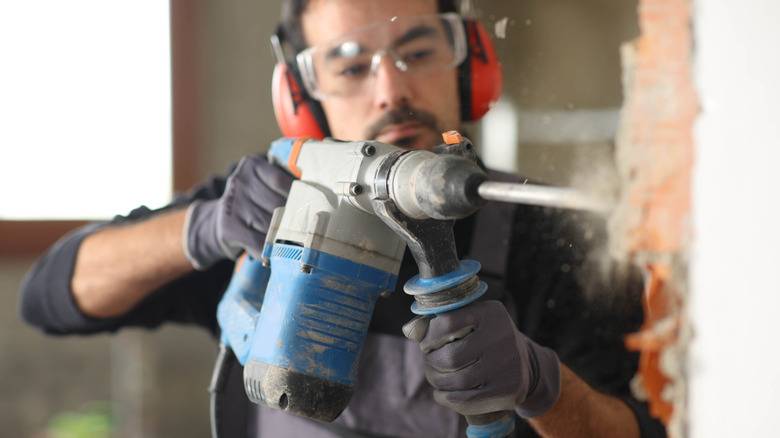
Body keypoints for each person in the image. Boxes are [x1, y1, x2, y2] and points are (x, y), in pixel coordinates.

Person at [19, 0, 666, 437]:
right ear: (302, 98)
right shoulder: (263, 211)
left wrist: (542, 386)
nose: (391, 90)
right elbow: (51, 297)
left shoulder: (552, 233)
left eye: (418, 51)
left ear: (471, 65)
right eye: (352, 66)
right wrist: (199, 230)